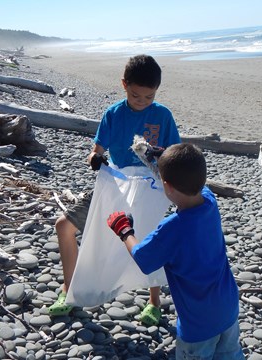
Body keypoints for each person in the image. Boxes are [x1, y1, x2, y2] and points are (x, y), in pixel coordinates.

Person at [49, 54, 181, 327]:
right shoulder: (114, 114)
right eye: (136, 96)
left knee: (150, 239)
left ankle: (154, 301)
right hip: (117, 183)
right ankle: (68, 289)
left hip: (150, 188)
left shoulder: (163, 116)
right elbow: (96, 149)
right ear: (124, 85)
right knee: (64, 226)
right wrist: (95, 158)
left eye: (149, 97)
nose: (142, 102)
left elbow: (173, 155)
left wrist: (157, 155)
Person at [106, 143, 243, 359]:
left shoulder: (173, 228)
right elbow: (190, 182)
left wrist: (124, 231)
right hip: (228, 306)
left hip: (198, 323)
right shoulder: (209, 201)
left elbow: (142, 257)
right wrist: (158, 161)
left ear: (166, 186)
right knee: (230, 354)